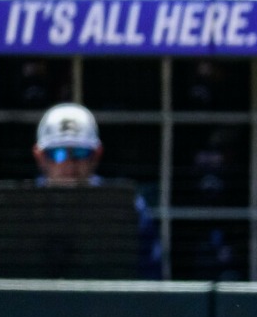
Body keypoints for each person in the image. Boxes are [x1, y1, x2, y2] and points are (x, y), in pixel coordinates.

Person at [32, 102, 162, 278]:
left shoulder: (125, 206)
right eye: (57, 153)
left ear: (96, 155)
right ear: (40, 157)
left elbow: (151, 276)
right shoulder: (19, 207)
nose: (69, 164)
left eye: (80, 153)